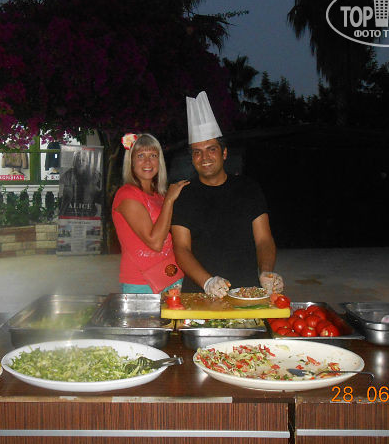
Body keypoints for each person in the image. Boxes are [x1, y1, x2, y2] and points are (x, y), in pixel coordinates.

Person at [171, 91, 283, 298]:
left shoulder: (249, 188)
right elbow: (181, 249)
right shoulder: (184, 195)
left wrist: (266, 271)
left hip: (246, 293)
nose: (204, 157)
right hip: (199, 295)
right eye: (197, 152)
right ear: (192, 158)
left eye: (211, 149)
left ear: (224, 153)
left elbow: (264, 240)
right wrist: (207, 282)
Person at [112, 133, 189, 294]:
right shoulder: (127, 194)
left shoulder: (160, 196)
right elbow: (155, 242)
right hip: (142, 284)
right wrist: (170, 200)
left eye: (153, 155)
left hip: (172, 277)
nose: (147, 162)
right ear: (131, 162)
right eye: (141, 156)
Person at [59, 148, 102, 217]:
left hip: (90, 211)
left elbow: (99, 196)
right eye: (78, 160)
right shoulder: (68, 174)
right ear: (74, 162)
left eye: (83, 160)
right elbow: (64, 194)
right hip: (72, 211)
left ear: (87, 162)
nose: (80, 162)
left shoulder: (95, 174)